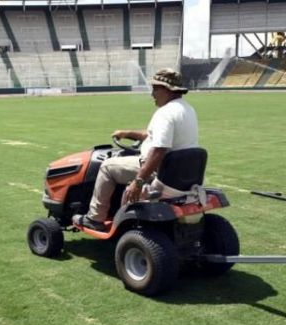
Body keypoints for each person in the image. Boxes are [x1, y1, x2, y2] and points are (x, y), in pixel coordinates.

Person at [72, 68, 199, 231]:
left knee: (107, 167)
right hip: (181, 172)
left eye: (155, 89)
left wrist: (138, 182)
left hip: (160, 171)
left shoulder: (165, 113)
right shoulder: (186, 109)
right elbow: (153, 136)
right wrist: (128, 133)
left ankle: (95, 218)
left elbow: (159, 150)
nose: (152, 94)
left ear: (166, 90)